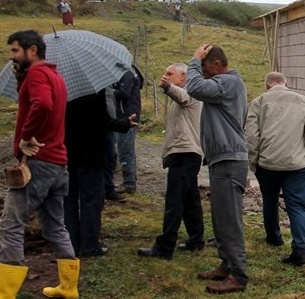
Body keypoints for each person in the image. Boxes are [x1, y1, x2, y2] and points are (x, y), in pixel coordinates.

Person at [0, 29, 79, 299]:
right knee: (54, 225)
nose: (11, 56)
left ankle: (4, 295)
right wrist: (20, 80)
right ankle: (69, 287)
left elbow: (41, 105)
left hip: (39, 162)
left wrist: (26, 136)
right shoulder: (55, 76)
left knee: (10, 224)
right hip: (58, 161)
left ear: (32, 50)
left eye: (15, 51)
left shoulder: (38, 75)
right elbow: (38, 103)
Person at [186, 44, 249, 294]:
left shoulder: (228, 83)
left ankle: (238, 275)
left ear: (216, 65)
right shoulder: (224, 84)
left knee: (230, 220)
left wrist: (193, 59)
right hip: (222, 159)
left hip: (230, 161)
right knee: (220, 217)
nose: (200, 73)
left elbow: (194, 87)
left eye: (203, 67)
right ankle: (227, 264)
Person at [245, 71, 305, 266]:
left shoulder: (258, 103)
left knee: (269, 200)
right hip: (296, 165)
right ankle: (300, 249)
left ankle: (274, 237)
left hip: (267, 164)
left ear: (267, 85)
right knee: (297, 206)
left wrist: (253, 162)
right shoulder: (304, 102)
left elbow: (251, 137)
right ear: (285, 84)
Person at [137, 63, 205, 259]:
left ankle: (164, 248)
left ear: (183, 77)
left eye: (170, 74)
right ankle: (196, 240)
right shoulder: (188, 92)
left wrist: (167, 87)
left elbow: (181, 96)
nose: (165, 76)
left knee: (174, 200)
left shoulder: (190, 91)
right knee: (190, 199)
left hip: (185, 153)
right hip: (185, 152)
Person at [64, 89, 137, 257]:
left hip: (66, 153)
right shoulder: (94, 91)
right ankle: (90, 245)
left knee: (68, 201)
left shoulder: (61, 88)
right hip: (91, 154)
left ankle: (70, 244)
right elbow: (102, 121)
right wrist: (124, 123)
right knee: (91, 200)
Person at [111, 65, 143, 195]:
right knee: (120, 150)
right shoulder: (125, 72)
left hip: (128, 117)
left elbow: (124, 93)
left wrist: (109, 91)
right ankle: (127, 181)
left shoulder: (127, 73)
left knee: (126, 151)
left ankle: (129, 183)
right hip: (122, 116)